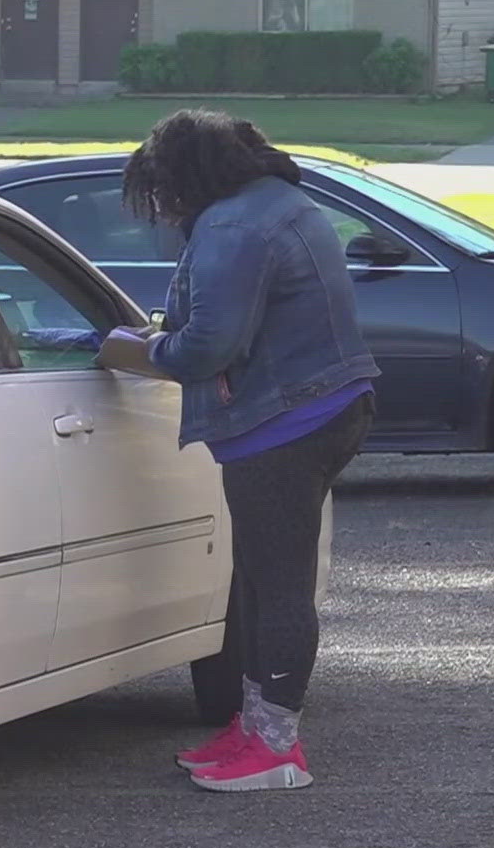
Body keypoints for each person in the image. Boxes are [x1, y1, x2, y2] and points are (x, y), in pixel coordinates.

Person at [123, 111, 379, 793]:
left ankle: (276, 750)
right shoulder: (275, 202)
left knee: (278, 586)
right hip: (321, 405)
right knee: (261, 580)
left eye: (161, 188)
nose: (160, 203)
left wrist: (141, 349)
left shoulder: (234, 227)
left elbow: (210, 346)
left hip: (283, 421)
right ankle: (256, 723)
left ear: (186, 177)